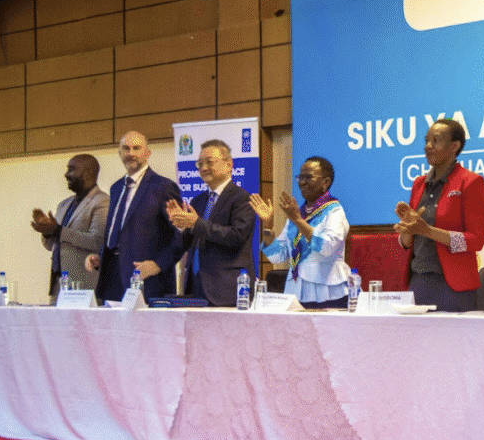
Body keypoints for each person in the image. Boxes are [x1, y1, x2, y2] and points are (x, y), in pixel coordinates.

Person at [394, 119, 484, 312]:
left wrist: (427, 231)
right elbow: (408, 242)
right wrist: (407, 231)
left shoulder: (470, 182)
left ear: (455, 146)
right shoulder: (419, 184)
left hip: (453, 286)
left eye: (435, 141)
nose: (428, 146)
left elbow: (475, 241)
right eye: (426, 141)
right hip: (418, 281)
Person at [86, 131, 182, 302]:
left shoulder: (163, 187)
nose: (131, 153)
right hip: (112, 278)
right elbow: (119, 231)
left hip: (147, 281)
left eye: (136, 148)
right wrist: (102, 257)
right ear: (120, 153)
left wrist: (158, 265)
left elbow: (180, 236)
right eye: (126, 148)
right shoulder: (116, 188)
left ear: (147, 153)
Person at [249, 156, 350, 309]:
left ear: (326, 182)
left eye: (308, 177)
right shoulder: (297, 214)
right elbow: (277, 256)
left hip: (328, 291)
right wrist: (268, 224)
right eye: (300, 177)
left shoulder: (334, 211)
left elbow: (326, 247)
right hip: (295, 291)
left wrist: (298, 220)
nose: (301, 182)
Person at [166, 139, 255, 306]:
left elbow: (236, 236)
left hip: (227, 289)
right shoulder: (198, 201)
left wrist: (196, 223)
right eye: (199, 164)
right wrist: (181, 226)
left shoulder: (242, 198)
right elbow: (190, 243)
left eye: (209, 162)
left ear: (229, 164)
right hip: (195, 286)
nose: (204, 168)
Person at [31, 154, 108, 299]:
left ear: (88, 172)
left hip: (85, 289)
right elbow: (51, 246)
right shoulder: (63, 205)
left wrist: (58, 230)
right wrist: (47, 233)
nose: (66, 174)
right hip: (58, 287)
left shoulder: (102, 202)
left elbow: (98, 241)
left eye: (72, 169)